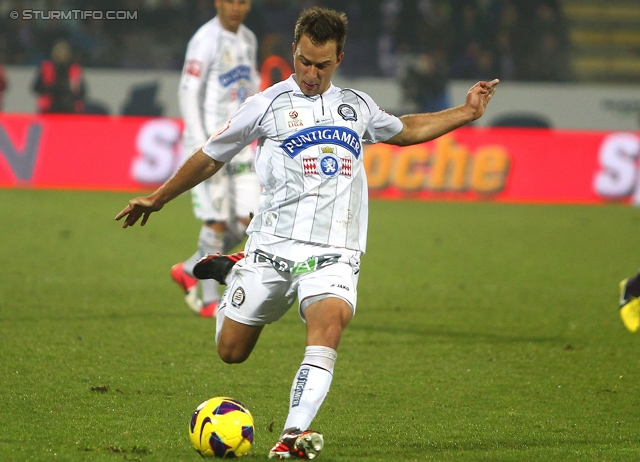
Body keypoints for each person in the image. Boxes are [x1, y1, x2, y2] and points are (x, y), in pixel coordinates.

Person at [116, 7, 499, 459]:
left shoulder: (356, 106)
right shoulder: (266, 105)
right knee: (231, 352)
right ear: (294, 51)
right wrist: (159, 197)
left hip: (335, 252)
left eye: (321, 65)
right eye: (303, 61)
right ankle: (234, 271)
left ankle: (292, 435)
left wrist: (467, 112)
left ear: (338, 59)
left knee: (329, 324)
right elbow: (211, 154)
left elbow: (407, 129)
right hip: (272, 247)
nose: (310, 73)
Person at [170, 0, 262, 317]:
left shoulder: (248, 39)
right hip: (209, 143)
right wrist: (200, 141)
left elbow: (251, 87)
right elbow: (187, 91)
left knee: (250, 221)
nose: (236, 7)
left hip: (242, 144)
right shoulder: (204, 40)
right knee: (217, 220)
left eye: (242, 1)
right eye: (230, 1)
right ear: (218, 2)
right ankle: (210, 300)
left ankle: (189, 268)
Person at [32, 39, 85, 114]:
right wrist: (53, 88)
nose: (62, 55)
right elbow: (36, 87)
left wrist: (74, 89)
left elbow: (82, 91)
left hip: (69, 108)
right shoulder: (47, 68)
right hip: (49, 109)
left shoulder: (74, 69)